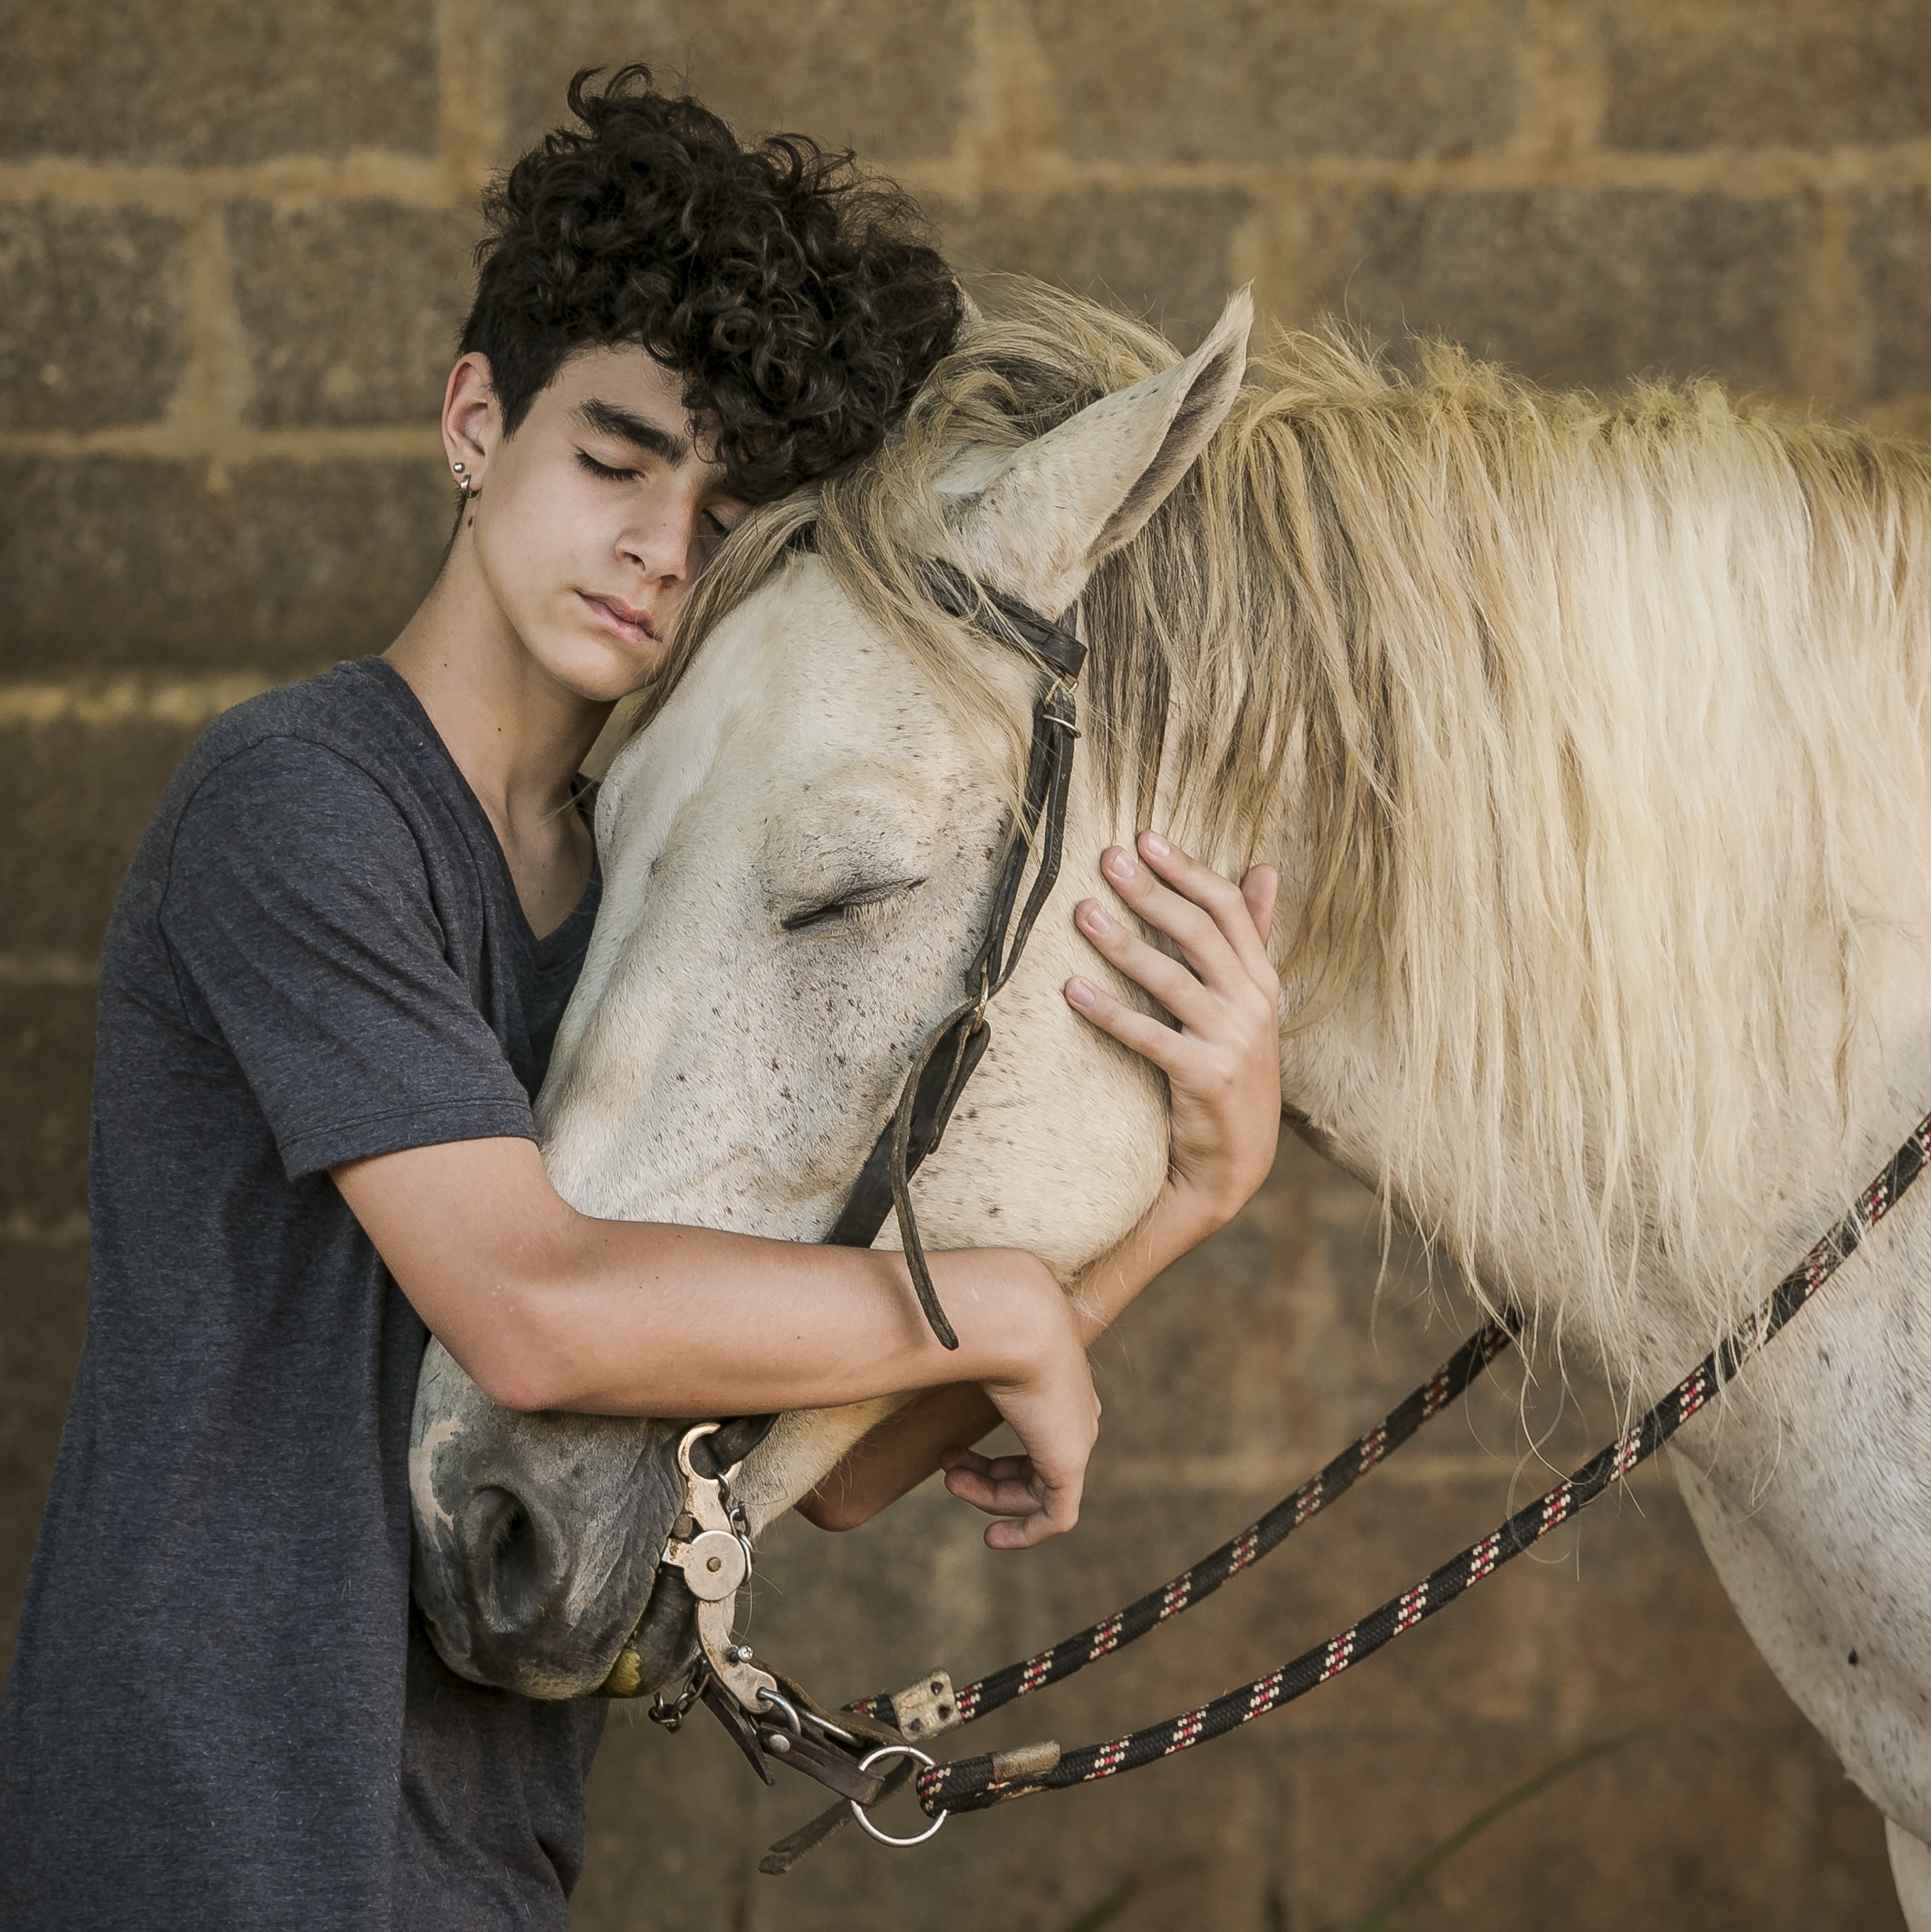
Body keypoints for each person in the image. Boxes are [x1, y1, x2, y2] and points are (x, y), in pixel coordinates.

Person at [0, 65, 1282, 1932]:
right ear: (472, 422)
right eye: (612, 458)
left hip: (477, 1849)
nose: (659, 547)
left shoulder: (643, 892)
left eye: (722, 503)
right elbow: (532, 1314)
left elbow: (834, 1460)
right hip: (210, 1823)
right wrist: (994, 1297)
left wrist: (1187, 1190)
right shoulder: (298, 804)